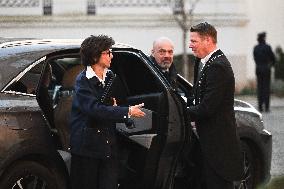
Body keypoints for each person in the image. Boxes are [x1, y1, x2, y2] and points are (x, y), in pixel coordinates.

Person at [69, 35, 145, 189]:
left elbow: (116, 103)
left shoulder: (110, 76)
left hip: (107, 145)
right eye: (108, 52)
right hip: (87, 147)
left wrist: (123, 113)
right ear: (95, 55)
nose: (112, 55)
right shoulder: (83, 81)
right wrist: (127, 111)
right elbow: (94, 109)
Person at [187, 22, 243, 189]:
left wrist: (179, 112)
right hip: (208, 143)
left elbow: (207, 107)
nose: (190, 45)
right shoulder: (204, 62)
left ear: (208, 40)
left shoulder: (218, 66)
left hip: (219, 147)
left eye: (194, 41)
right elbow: (197, 96)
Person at [253, 32, 275, 112]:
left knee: (260, 88)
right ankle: (267, 107)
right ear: (264, 38)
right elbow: (273, 58)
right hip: (266, 69)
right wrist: (270, 65)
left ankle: (260, 107)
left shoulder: (255, 48)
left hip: (258, 68)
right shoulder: (268, 47)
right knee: (266, 88)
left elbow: (255, 58)